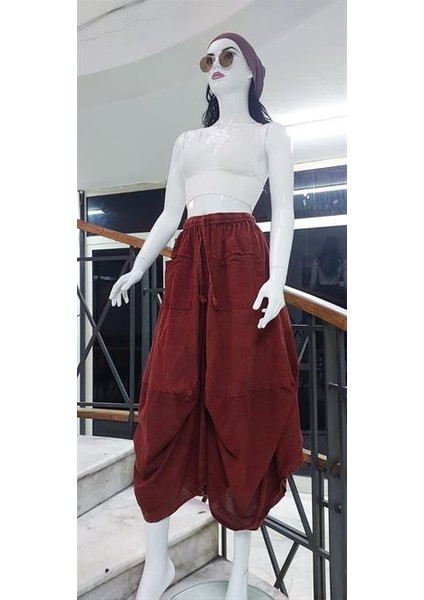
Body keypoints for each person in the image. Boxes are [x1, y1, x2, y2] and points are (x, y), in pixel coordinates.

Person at [109, 32, 303, 600]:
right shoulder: (187, 141)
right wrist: (138, 267)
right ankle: (158, 563)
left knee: (240, 404)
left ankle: (239, 574)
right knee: (166, 402)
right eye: (208, 60)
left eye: (227, 56)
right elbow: (170, 214)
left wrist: (277, 279)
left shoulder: (271, 135)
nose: (215, 66)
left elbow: (285, 211)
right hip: (190, 264)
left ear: (251, 70)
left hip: (243, 263)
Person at [309, 235, 347, 308]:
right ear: (337, 246)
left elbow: (312, 285)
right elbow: (346, 286)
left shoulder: (317, 261)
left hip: (322, 293)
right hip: (337, 293)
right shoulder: (342, 262)